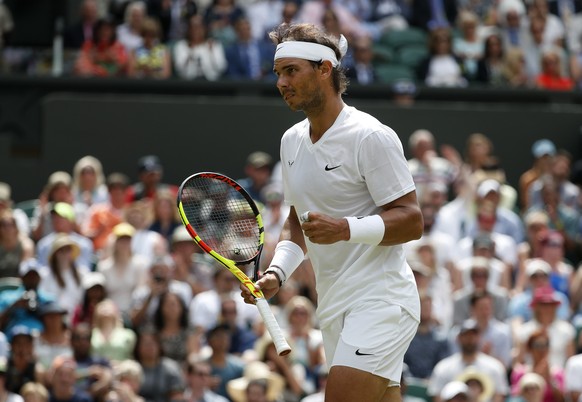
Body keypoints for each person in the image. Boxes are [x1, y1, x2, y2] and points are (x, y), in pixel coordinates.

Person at [240, 22, 423, 402]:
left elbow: (411, 220)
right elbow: (297, 223)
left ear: (325, 69)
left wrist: (345, 229)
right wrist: (277, 272)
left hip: (381, 301)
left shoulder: (370, 136)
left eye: (292, 71)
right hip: (335, 306)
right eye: (278, 73)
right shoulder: (290, 142)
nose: (281, 83)